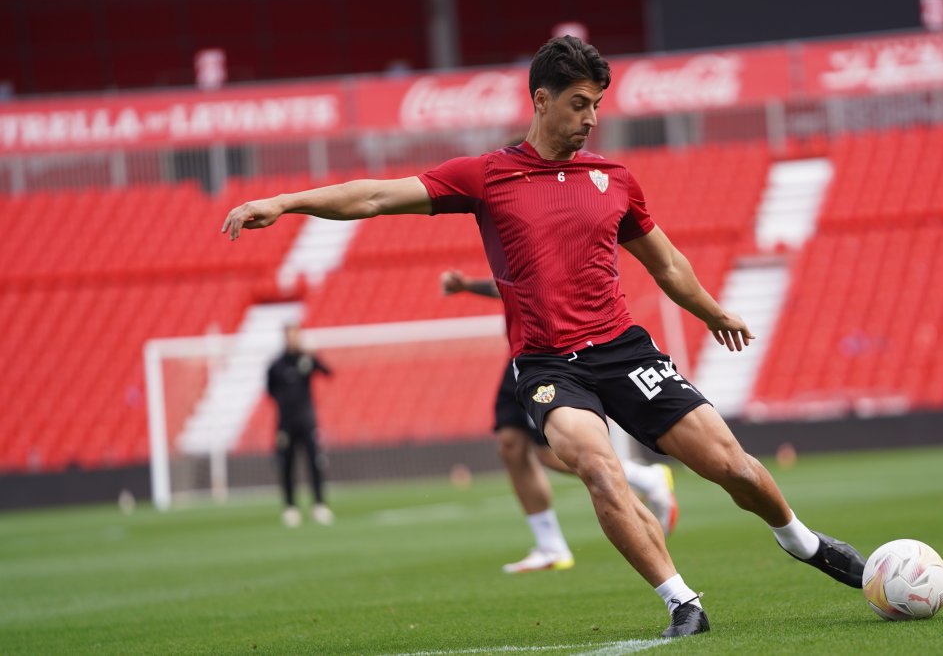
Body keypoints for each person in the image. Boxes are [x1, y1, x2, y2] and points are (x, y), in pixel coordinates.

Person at [224, 35, 864, 639]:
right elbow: (373, 197)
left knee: (730, 467)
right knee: (597, 466)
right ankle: (682, 602)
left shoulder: (615, 179)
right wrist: (285, 201)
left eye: (597, 105)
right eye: (579, 103)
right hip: (549, 365)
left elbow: (665, 264)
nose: (590, 118)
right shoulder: (486, 177)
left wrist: (713, 312)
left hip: (625, 350)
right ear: (540, 100)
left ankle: (803, 542)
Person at [440, 268, 679, 573]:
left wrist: (469, 285)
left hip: (545, 357)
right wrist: (469, 286)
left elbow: (532, 284)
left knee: (549, 453)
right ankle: (550, 546)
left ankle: (645, 478)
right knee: (511, 445)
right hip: (517, 355)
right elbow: (509, 286)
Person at [266, 324, 334, 527]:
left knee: (315, 463)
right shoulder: (276, 365)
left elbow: (328, 372)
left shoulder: (307, 359)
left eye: (296, 335)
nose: (293, 339)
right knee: (287, 465)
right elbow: (270, 391)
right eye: (290, 335)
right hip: (285, 423)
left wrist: (314, 355)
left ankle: (319, 505)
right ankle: (290, 507)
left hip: (307, 421)